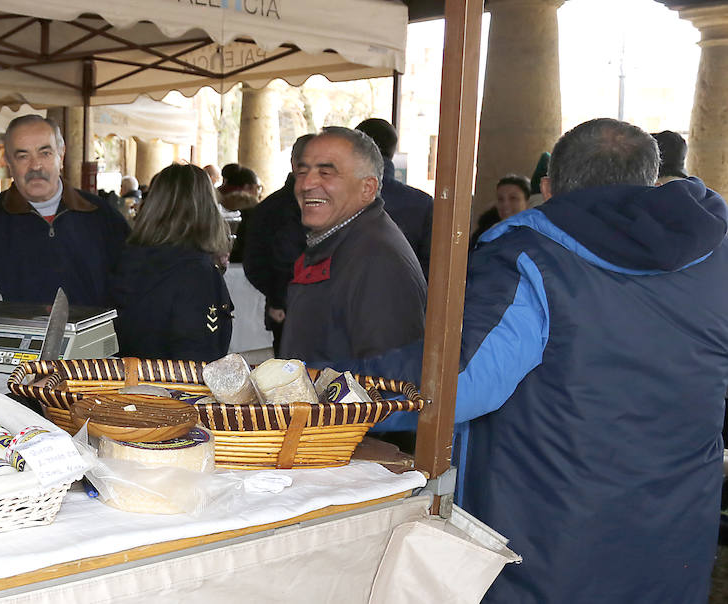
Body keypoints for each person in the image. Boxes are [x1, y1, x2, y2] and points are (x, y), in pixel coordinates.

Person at [336, 118, 728, 603]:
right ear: (649, 181)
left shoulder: (531, 257)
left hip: (551, 539)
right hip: (675, 533)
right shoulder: (715, 256)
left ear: (547, 187)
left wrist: (334, 387)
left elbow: (460, 382)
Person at [0, 115, 129, 307]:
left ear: (61, 155)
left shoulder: (103, 218)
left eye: (45, 153)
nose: (35, 166)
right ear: (8, 162)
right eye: (23, 156)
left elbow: (130, 295)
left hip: (95, 337)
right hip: (12, 337)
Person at [279, 127, 426, 361]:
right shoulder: (341, 240)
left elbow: (385, 380)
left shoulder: (377, 260)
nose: (306, 184)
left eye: (326, 173)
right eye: (303, 171)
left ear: (367, 188)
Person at [111, 164, 232, 361]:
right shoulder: (198, 273)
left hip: (129, 382)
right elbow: (199, 357)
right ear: (206, 208)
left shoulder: (127, 258)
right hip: (175, 387)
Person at [240, 134, 312, 355]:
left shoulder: (268, 207)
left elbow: (252, 264)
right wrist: (280, 298)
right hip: (294, 312)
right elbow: (260, 262)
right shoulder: (279, 208)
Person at [355, 118, 434, 276]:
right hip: (405, 292)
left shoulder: (341, 194)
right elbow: (429, 265)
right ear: (393, 150)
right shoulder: (423, 203)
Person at [471, 174, 530, 241]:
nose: (505, 204)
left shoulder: (537, 233)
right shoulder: (484, 234)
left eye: (513, 198)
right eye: (500, 199)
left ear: (527, 203)